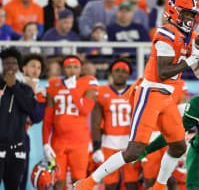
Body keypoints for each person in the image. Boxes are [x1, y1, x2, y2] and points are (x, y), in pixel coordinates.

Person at [74, 0, 199, 190]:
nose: (190, 20)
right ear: (174, 13)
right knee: (133, 151)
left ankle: (159, 186)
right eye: (187, 15)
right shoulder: (166, 33)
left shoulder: (190, 37)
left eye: (193, 15)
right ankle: (87, 183)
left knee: (178, 146)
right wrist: (192, 58)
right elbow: (163, 72)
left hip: (167, 97)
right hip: (150, 94)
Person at [42, 55, 98, 189]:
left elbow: (85, 110)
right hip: (58, 141)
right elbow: (48, 117)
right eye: (68, 67)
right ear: (63, 69)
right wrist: (45, 143)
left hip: (79, 142)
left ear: (81, 69)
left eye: (75, 67)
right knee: (58, 181)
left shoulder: (89, 82)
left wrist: (72, 89)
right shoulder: (53, 84)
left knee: (78, 181)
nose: (72, 70)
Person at [91, 59, 139, 190]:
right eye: (117, 70)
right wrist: (96, 147)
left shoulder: (136, 91)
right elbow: (95, 122)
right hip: (108, 144)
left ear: (129, 75)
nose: (120, 74)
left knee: (131, 183)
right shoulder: (101, 91)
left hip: (130, 143)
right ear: (111, 73)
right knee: (110, 184)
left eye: (124, 71)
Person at [0, 47, 37, 189]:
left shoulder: (25, 89)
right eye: (7, 63)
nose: (10, 66)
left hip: (17, 149)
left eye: (14, 63)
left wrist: (14, 86)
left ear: (18, 66)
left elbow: (30, 109)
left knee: (14, 187)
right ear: (2, 65)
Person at [19, 53, 47, 190]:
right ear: (23, 68)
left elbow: (36, 117)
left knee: (20, 180)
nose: (36, 70)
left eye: (39, 67)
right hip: (4, 136)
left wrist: (32, 92)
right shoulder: (12, 84)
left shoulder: (41, 92)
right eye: (32, 66)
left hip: (22, 137)